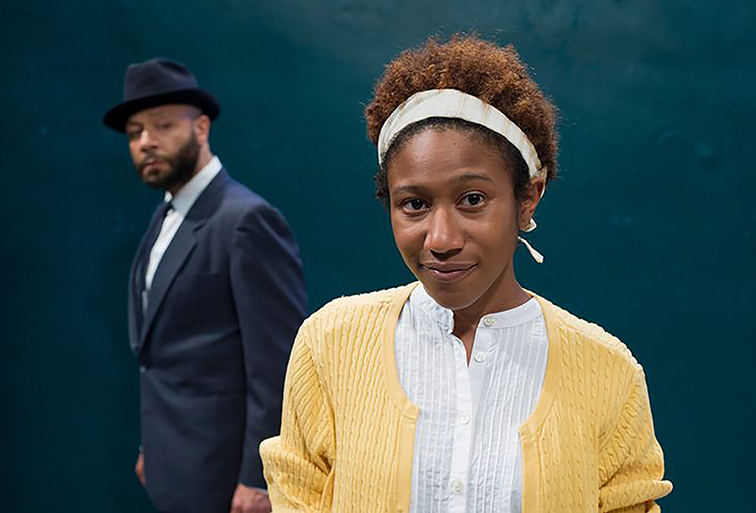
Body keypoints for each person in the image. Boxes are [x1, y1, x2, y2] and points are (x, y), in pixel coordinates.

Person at [260, 36, 672, 512]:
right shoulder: (329, 344)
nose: (440, 238)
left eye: (472, 199)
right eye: (414, 204)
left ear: (528, 197)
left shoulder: (608, 371)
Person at [103, 57, 307, 513]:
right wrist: (152, 448)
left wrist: (260, 478)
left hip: (227, 479)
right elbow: (169, 355)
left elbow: (278, 362)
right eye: (135, 132)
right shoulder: (165, 216)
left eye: (161, 126)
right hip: (174, 464)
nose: (146, 142)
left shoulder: (245, 220)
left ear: (200, 128)